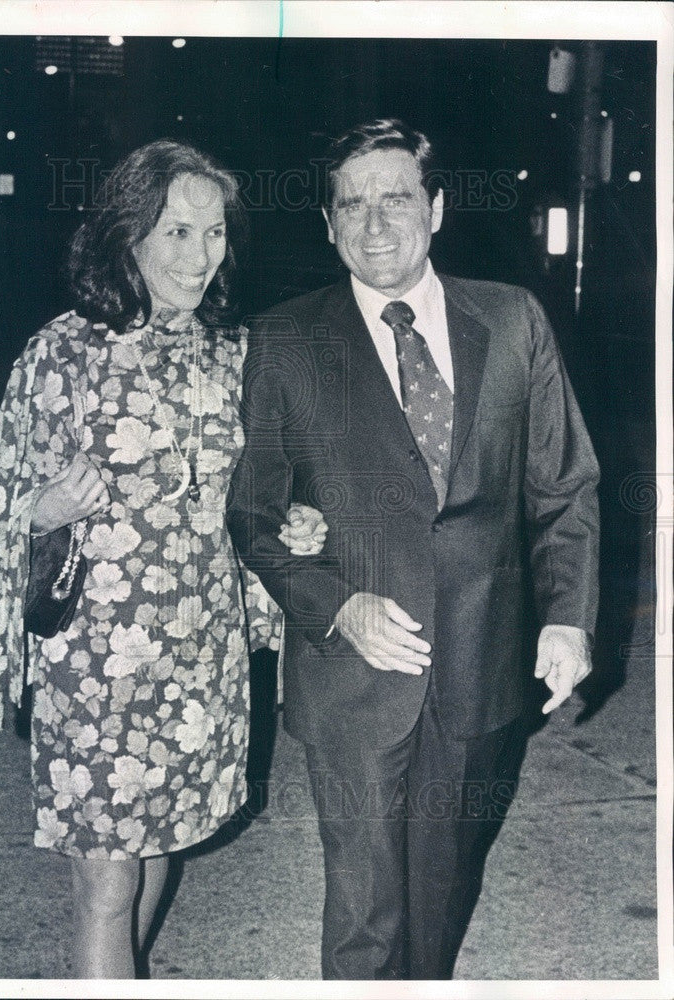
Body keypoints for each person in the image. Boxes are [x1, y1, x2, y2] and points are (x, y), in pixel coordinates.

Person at [227, 118, 600, 980]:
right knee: (365, 918)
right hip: (352, 678)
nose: (373, 222)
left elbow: (562, 487)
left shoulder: (511, 322)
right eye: (350, 204)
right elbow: (251, 513)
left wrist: (567, 618)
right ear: (326, 224)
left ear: (434, 207)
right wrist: (334, 602)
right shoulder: (286, 340)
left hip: (480, 666)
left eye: (394, 198)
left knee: (439, 907)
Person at [0, 139, 326, 979]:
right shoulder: (59, 355)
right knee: (104, 885)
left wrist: (295, 524)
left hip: (201, 650)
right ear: (127, 235)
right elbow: (2, 512)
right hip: (97, 664)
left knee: (164, 839)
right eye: (176, 232)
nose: (198, 256)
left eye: (213, 234)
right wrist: (48, 507)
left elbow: (257, 495)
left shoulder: (232, 354)